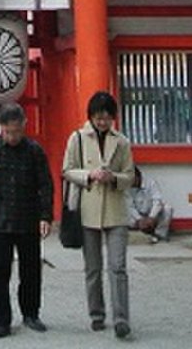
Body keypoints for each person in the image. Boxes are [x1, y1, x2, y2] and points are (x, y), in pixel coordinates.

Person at [0, 102, 54, 339]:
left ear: (24, 126)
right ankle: (1, 320)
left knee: (30, 270)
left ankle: (30, 313)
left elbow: (45, 185)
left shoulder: (34, 150)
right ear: (0, 128)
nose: (12, 136)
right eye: (8, 131)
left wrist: (45, 215)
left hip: (28, 217)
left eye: (16, 131)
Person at [63, 90, 135, 340]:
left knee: (118, 267)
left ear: (113, 117)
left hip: (115, 209)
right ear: (91, 117)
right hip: (87, 209)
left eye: (107, 117)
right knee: (93, 267)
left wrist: (113, 177)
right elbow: (67, 170)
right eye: (98, 117)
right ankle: (96, 314)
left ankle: (121, 319)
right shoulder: (77, 138)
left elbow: (131, 176)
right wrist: (89, 175)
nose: (102, 122)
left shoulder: (122, 142)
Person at [127, 166, 173, 243]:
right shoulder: (126, 186)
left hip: (151, 216)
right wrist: (139, 219)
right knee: (121, 212)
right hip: (136, 218)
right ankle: (137, 234)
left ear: (138, 177)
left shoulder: (151, 182)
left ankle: (159, 234)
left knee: (168, 208)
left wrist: (152, 217)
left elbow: (157, 201)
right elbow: (129, 206)